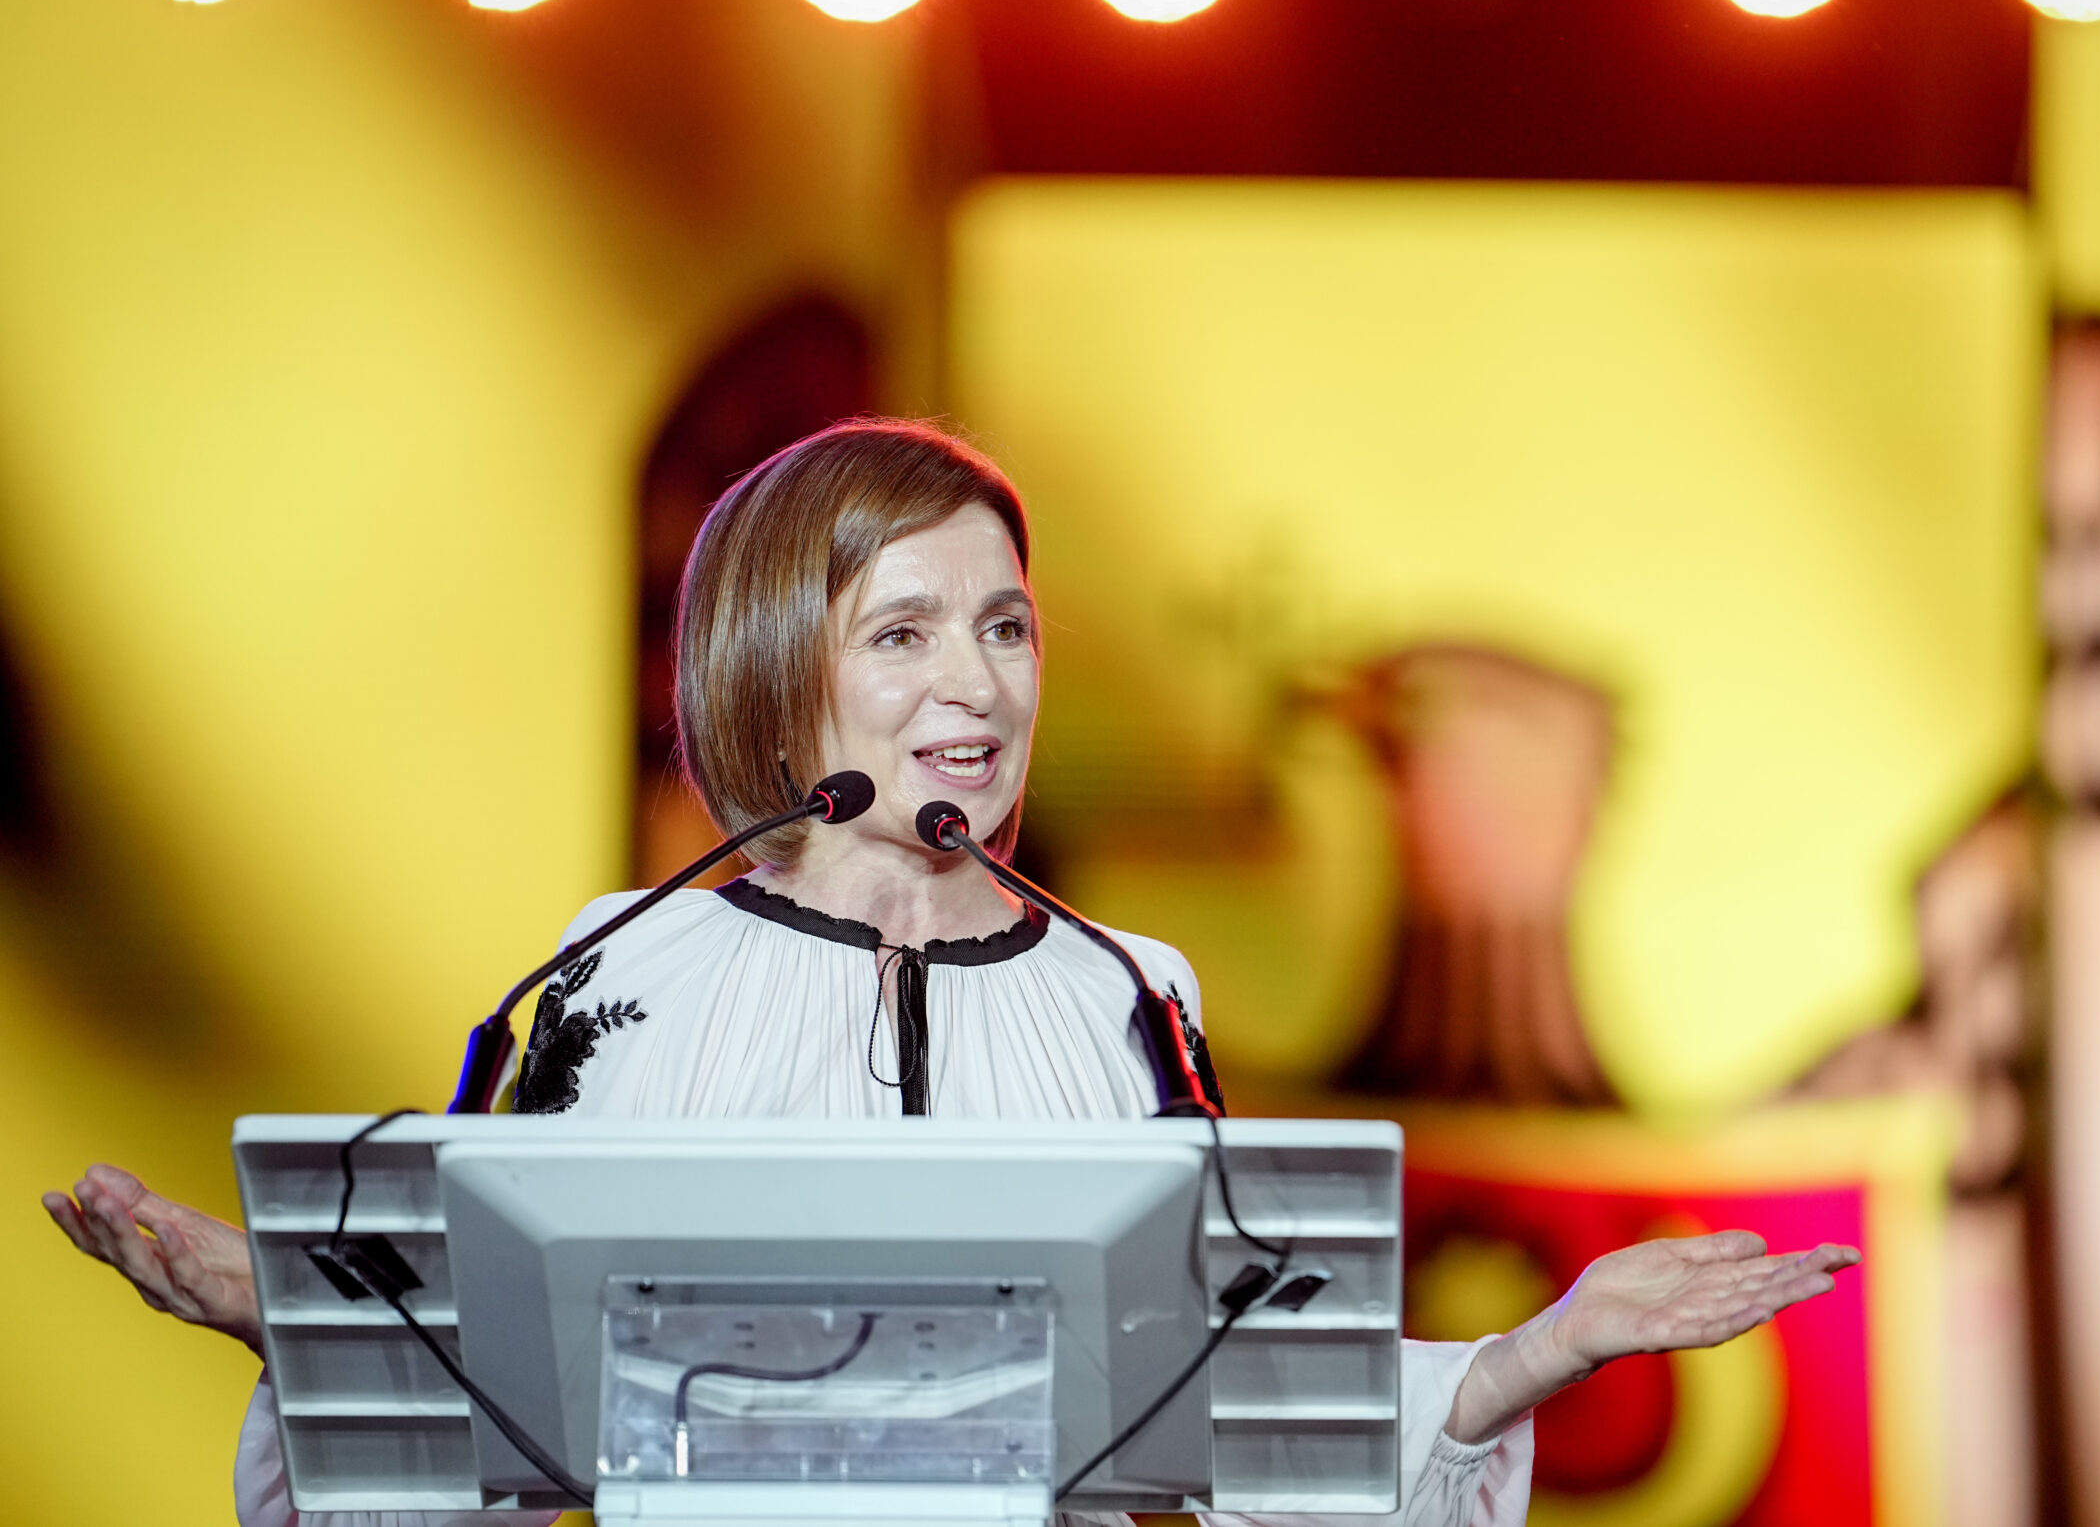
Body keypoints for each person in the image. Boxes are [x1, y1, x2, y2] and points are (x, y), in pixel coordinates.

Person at [45, 418, 1859, 1527]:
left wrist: (1541, 1352)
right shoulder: (622, 976)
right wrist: (290, 1321)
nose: (976, 687)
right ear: (780, 667)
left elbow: (1259, 1414)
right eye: (903, 633)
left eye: (1005, 628)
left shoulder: (1126, 993)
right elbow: (497, 1404)